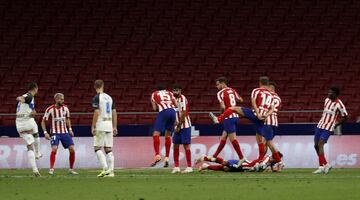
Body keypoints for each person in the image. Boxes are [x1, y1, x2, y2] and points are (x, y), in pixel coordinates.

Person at [209, 77, 282, 167]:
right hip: (263, 119)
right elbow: (272, 109)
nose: (217, 86)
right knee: (260, 140)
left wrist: (258, 113)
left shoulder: (256, 90)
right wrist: (265, 115)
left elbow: (253, 102)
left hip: (250, 115)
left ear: (260, 83)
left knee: (232, 109)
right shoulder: (271, 95)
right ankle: (264, 161)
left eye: (217, 84)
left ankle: (218, 119)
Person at [313, 86, 348, 174]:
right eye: (328, 92)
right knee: (316, 146)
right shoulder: (326, 100)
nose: (328, 94)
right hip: (320, 125)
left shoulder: (339, 104)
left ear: (335, 94)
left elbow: (345, 117)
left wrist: (336, 124)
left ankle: (321, 167)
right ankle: (327, 164)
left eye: (330, 92)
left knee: (321, 144)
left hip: (329, 127)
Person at [41, 93, 77, 175]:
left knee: (72, 149)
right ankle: (51, 169)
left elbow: (68, 119)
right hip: (54, 133)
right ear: (56, 99)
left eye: (63, 99)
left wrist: (70, 129)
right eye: (61, 99)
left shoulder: (65, 108)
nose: (63, 101)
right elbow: (43, 121)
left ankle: (71, 169)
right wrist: (45, 132)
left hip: (64, 132)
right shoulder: (49, 109)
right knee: (54, 149)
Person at [212, 77, 246, 163]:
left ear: (222, 83)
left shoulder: (220, 93)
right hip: (236, 116)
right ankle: (214, 156)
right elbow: (241, 100)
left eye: (217, 84)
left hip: (228, 117)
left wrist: (221, 114)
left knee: (233, 139)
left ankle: (242, 158)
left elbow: (223, 106)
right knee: (224, 136)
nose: (217, 87)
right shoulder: (232, 90)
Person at [92, 80, 117, 177]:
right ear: (103, 86)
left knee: (97, 147)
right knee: (108, 149)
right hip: (109, 123)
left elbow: (97, 112)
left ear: (95, 86)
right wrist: (114, 126)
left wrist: (93, 126)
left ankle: (105, 168)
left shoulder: (96, 97)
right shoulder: (110, 98)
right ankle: (111, 171)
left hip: (101, 123)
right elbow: (114, 112)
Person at [15, 82, 41, 177]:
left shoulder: (28, 99)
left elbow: (30, 109)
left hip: (19, 125)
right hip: (27, 122)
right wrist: (20, 98)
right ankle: (38, 153)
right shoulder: (29, 96)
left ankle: (35, 170)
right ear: (35, 88)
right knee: (35, 128)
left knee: (29, 145)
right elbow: (23, 98)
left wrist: (33, 112)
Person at [150, 84, 177, 167]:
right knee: (168, 135)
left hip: (163, 112)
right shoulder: (170, 93)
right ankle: (167, 158)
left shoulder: (154, 94)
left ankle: (157, 155)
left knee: (156, 134)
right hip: (173, 112)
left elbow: (154, 108)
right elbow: (176, 104)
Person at [171, 84, 193, 174]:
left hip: (185, 125)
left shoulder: (182, 98)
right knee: (175, 145)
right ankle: (176, 167)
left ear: (180, 90)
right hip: (177, 125)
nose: (175, 92)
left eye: (177, 90)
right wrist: (174, 124)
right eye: (174, 90)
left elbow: (183, 113)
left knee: (186, 145)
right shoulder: (172, 99)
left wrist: (179, 126)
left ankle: (189, 166)